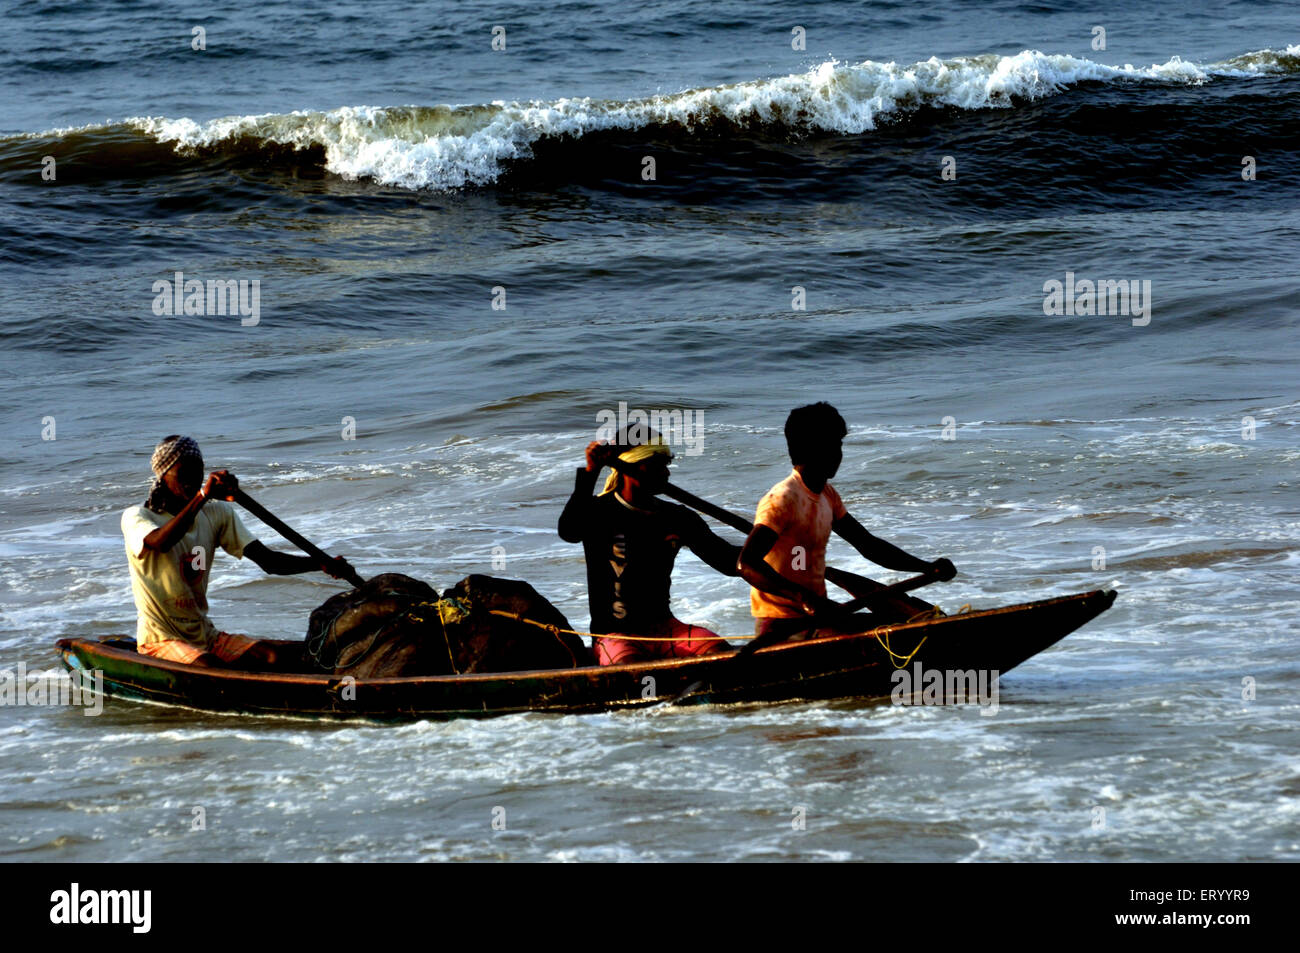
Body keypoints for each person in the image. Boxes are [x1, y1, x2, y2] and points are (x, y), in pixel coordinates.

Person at [558, 432, 800, 666]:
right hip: (616, 635)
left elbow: (728, 561)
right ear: (633, 467)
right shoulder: (599, 512)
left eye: (667, 464)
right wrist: (591, 473)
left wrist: (771, 548)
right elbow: (569, 531)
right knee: (632, 671)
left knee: (721, 656)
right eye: (658, 464)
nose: (666, 472)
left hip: (666, 629)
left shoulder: (677, 516)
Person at [121, 435, 356, 670]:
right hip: (160, 640)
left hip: (206, 637)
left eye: (198, 471)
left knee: (274, 657)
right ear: (163, 475)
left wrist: (322, 564)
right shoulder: (138, 517)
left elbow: (269, 562)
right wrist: (203, 496)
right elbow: (162, 542)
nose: (192, 480)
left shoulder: (216, 514)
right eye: (184, 472)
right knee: (211, 668)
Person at [738, 403, 955, 642]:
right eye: (832, 445)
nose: (838, 454)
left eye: (839, 445)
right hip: (783, 625)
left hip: (820, 617)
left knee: (906, 628)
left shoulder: (827, 496)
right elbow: (747, 564)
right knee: (885, 640)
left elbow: (868, 545)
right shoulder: (782, 499)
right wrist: (802, 597)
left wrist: (926, 567)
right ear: (810, 449)